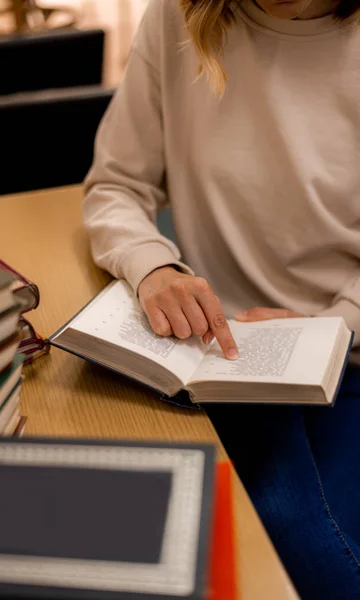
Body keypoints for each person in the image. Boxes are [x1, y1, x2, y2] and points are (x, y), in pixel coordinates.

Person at [83, 0, 360, 597]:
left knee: (306, 554)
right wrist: (153, 266)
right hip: (219, 360)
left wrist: (336, 325)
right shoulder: (176, 17)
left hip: (351, 359)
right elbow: (115, 186)